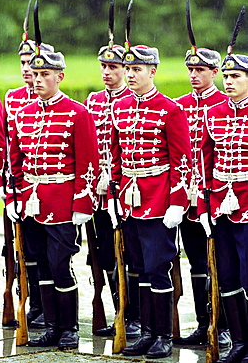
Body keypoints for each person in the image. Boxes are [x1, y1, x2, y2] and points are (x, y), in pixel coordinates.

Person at [6, 40, 99, 349]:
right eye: (35, 73)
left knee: (60, 263)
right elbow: (15, 162)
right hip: (31, 201)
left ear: (60, 76)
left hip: (62, 203)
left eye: (46, 73)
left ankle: (69, 327)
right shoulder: (24, 113)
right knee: (39, 264)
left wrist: (82, 203)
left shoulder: (77, 113)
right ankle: (51, 325)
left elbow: (88, 162)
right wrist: (13, 199)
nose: (38, 79)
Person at [108, 44, 192, 359]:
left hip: (158, 199)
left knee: (158, 268)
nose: (130, 75)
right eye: (127, 69)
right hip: (129, 199)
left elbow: (182, 160)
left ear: (152, 71)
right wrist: (115, 195)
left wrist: (176, 202)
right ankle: (145, 333)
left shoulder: (170, 109)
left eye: (137, 69)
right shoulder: (120, 107)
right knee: (139, 267)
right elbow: (115, 155)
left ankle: (163, 336)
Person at [175, 48, 231, 347]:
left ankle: (223, 324)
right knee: (196, 262)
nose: (194, 75)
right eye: (190, 70)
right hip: (186, 198)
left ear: (214, 72)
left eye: (201, 70)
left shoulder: (225, 103)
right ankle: (202, 322)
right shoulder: (178, 106)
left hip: (217, 198)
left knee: (219, 263)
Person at [85, 41, 140, 338]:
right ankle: (119, 311)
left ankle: (136, 316)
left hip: (126, 189)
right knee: (105, 254)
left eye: (114, 67)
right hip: (98, 192)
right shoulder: (93, 100)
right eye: (104, 66)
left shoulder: (134, 99)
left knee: (130, 253)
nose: (107, 72)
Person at [198, 43, 248, 362]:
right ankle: (241, 341)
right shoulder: (212, 113)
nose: (228, 81)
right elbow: (205, 162)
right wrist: (204, 208)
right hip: (220, 208)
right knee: (227, 276)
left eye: (236, 76)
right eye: (226, 76)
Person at [4, 22, 55, 329]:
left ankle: (44, 307)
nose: (26, 70)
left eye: (31, 64)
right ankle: (29, 302)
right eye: (22, 63)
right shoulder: (12, 98)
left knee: (46, 253)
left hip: (47, 187)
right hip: (19, 186)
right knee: (21, 251)